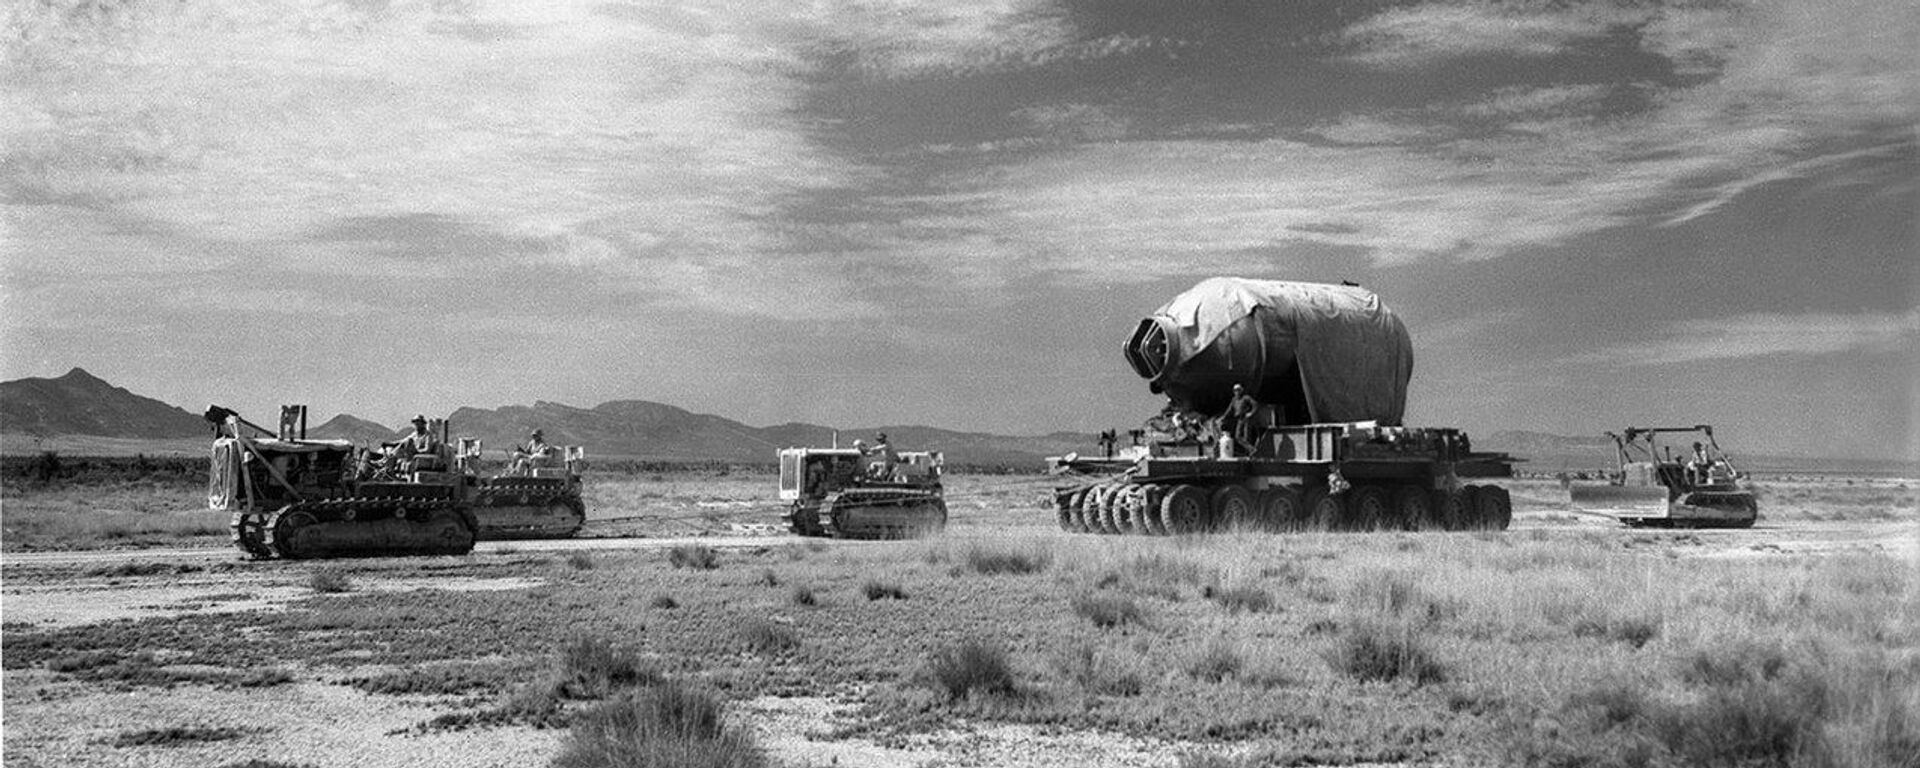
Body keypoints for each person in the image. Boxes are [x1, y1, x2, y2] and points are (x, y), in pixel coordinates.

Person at [1220, 383, 1260, 456]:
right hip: (1239, 419)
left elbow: (1255, 404)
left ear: (1241, 390)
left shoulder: (1246, 398)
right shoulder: (1234, 400)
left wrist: (1251, 413)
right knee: (1238, 437)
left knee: (1246, 436)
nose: (1237, 392)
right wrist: (1223, 418)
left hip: (1245, 419)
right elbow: (1229, 410)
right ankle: (1251, 450)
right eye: (1235, 390)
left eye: (1238, 390)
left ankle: (1250, 452)